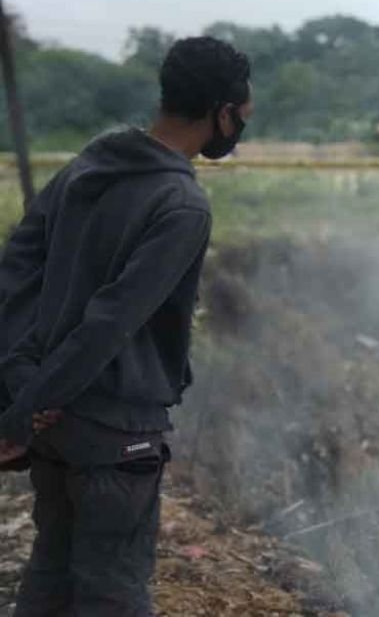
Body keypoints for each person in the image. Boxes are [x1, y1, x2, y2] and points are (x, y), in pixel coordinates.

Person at [0, 36, 252, 616]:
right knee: (113, 589)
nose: (240, 132)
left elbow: (17, 265)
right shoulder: (182, 204)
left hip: (52, 423)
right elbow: (108, 323)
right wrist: (25, 407)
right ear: (221, 113)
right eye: (241, 118)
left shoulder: (92, 161)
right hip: (114, 431)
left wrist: (23, 384)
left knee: (52, 569)